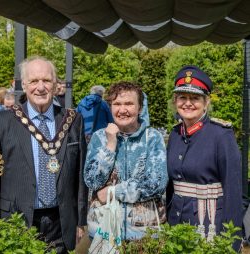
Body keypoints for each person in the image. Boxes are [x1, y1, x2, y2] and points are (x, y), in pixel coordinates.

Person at [0, 56, 88, 253]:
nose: (40, 87)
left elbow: (80, 176)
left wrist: (80, 220)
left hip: (60, 221)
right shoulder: (1, 122)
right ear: (24, 85)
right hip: (16, 220)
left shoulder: (73, 120)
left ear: (55, 85)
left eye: (47, 80)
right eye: (34, 81)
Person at [166, 65, 242, 249]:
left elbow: (234, 192)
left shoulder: (221, 135)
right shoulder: (175, 134)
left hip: (208, 226)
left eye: (195, 98)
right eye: (182, 97)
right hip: (176, 224)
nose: (188, 103)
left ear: (206, 102)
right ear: (175, 101)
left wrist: (232, 241)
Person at [84, 81, 168, 243]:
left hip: (143, 233)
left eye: (129, 104)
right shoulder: (99, 137)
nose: (122, 110)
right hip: (104, 231)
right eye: (117, 104)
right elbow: (92, 181)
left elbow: (156, 184)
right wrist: (110, 145)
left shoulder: (152, 138)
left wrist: (113, 191)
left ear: (140, 108)